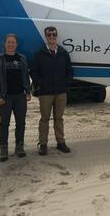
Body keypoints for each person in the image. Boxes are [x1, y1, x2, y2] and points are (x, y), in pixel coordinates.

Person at [31, 26, 72, 155]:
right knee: (44, 119)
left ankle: (61, 142)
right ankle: (43, 144)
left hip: (61, 92)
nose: (52, 37)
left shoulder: (63, 53)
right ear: (46, 36)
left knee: (59, 118)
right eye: (49, 35)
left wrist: (65, 85)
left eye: (54, 34)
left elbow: (69, 71)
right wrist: (42, 85)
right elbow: (34, 72)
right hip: (45, 93)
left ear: (57, 36)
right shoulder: (39, 54)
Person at [0, 34, 31, 162]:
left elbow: (25, 76)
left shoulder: (22, 58)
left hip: (20, 96)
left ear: (16, 44)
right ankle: (3, 148)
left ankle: (19, 147)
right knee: (4, 123)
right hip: (5, 97)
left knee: (21, 123)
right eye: (9, 42)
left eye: (13, 42)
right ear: (4, 44)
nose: (11, 44)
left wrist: (28, 91)